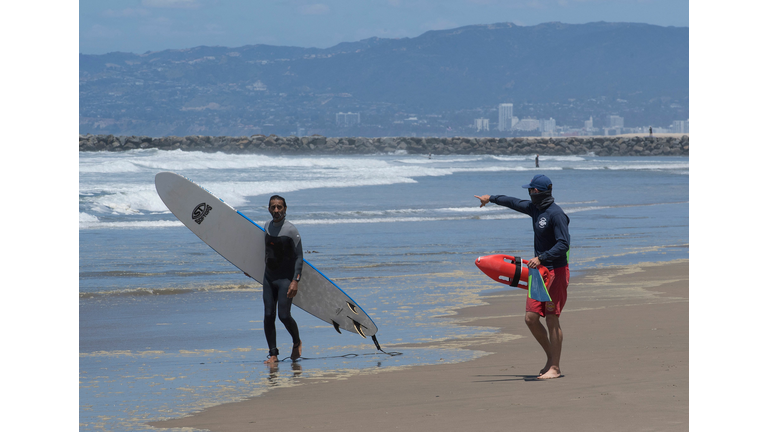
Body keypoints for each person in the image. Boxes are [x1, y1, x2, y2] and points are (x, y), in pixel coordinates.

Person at [474, 174, 570, 379]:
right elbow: (513, 202)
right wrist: (490, 198)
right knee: (531, 318)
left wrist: (542, 257)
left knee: (552, 318)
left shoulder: (556, 214)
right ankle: (550, 358)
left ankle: (556, 367)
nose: (528, 194)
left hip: (555, 272)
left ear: (538, 192)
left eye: (531, 190)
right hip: (538, 272)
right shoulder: (535, 209)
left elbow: (564, 244)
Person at [246, 195, 304, 364]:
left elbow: (299, 257)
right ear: (269, 209)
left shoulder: (292, 230)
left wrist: (295, 280)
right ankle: (273, 354)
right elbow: (264, 252)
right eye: (273, 207)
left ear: (285, 208)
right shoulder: (266, 227)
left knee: (284, 316)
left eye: (279, 207)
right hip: (269, 278)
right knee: (268, 315)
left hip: (286, 279)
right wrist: (252, 269)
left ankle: (296, 341)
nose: (276, 210)